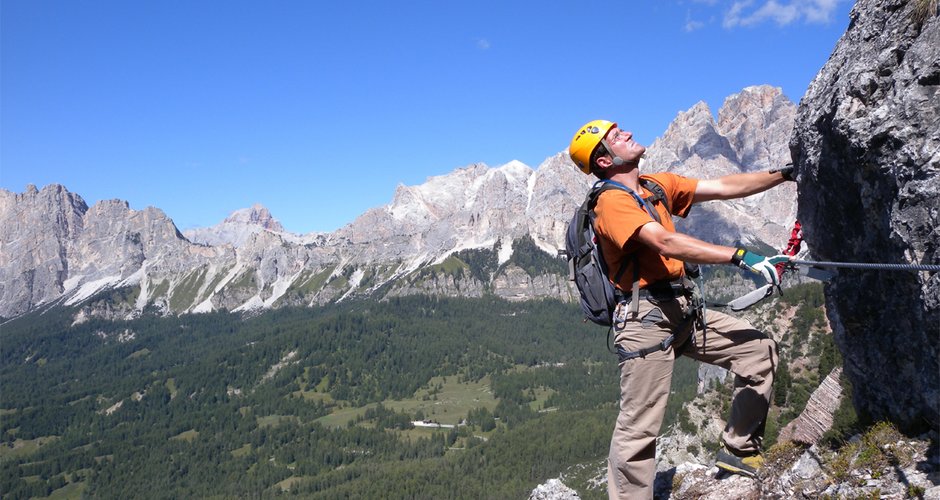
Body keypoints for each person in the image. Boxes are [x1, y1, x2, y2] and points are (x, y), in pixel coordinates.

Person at [568, 119, 795, 499]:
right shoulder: (611, 203)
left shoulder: (655, 187)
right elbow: (664, 241)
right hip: (645, 321)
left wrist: (785, 175)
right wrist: (739, 255)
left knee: (758, 352)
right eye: (615, 137)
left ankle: (739, 450)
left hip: (681, 310)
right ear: (604, 161)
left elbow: (723, 187)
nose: (626, 133)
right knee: (639, 428)